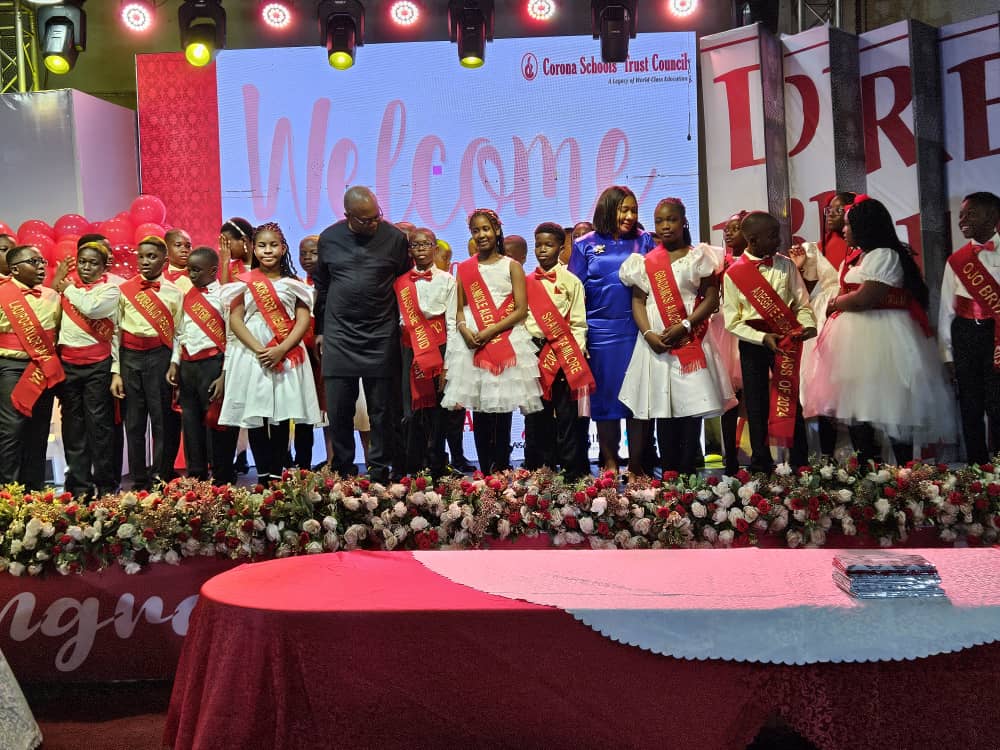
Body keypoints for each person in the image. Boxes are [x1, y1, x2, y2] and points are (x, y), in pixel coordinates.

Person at [806, 196, 955, 464]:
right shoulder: (860, 257)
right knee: (858, 405)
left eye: (849, 225)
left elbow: (866, 298)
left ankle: (904, 473)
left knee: (891, 407)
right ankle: (867, 470)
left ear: (866, 227)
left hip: (881, 338)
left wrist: (835, 303)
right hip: (856, 341)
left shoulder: (883, 255)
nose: (844, 230)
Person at [619, 198, 734, 477]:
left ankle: (687, 473)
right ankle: (668, 475)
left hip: (690, 338)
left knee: (690, 407)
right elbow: (638, 301)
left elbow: (710, 299)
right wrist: (648, 333)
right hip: (656, 341)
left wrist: (684, 325)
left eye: (671, 220)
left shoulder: (699, 257)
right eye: (659, 221)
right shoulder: (644, 262)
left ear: (683, 221)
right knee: (662, 406)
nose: (665, 225)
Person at [314, 186, 410, 483]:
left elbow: (405, 282)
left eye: (376, 217)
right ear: (348, 217)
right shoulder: (329, 239)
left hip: (380, 333)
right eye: (366, 220)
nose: (373, 224)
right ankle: (344, 469)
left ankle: (380, 471)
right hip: (340, 334)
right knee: (340, 409)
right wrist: (320, 331)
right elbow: (323, 286)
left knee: (382, 410)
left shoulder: (394, 238)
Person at [443, 208, 542, 473]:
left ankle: (500, 471)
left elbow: (521, 310)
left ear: (497, 230)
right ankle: (485, 470)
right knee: (480, 410)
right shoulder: (464, 269)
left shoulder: (512, 266)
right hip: (472, 343)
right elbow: (460, 308)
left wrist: (489, 332)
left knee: (500, 412)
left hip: (503, 340)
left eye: (486, 229)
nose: (481, 235)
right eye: (476, 231)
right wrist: (464, 330)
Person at [220, 223, 321, 482]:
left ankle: (277, 474)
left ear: (283, 248)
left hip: (287, 354)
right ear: (253, 248)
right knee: (257, 416)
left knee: (281, 415)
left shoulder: (294, 284)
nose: (267, 250)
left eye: (273, 245)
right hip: (253, 353)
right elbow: (236, 320)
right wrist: (260, 349)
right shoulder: (242, 283)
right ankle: (263, 475)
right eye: (262, 245)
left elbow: (302, 320)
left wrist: (281, 349)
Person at [568, 185, 655, 473]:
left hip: (638, 331)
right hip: (600, 333)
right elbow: (573, 291)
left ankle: (638, 465)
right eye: (624, 210)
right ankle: (609, 462)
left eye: (634, 210)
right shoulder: (585, 244)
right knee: (605, 402)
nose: (630, 216)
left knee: (638, 399)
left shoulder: (644, 241)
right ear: (608, 209)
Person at [723, 212, 816, 473]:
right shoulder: (733, 274)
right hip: (754, 342)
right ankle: (760, 463)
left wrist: (807, 326)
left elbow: (802, 302)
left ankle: (800, 461)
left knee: (789, 398)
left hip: (786, 338)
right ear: (752, 239)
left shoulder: (786, 265)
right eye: (773, 235)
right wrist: (762, 337)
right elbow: (733, 321)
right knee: (756, 403)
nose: (779, 239)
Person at [111, 236, 184, 490]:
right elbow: (115, 332)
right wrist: (116, 371)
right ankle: (139, 478)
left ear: (164, 261)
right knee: (134, 421)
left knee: (162, 418)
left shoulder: (175, 293)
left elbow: (179, 332)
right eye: (141, 256)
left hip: (160, 356)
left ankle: (161, 475)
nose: (144, 261)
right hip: (130, 357)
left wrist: (175, 362)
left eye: (151, 257)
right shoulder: (124, 291)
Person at [522, 222, 592, 479]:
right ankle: (539, 468)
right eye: (538, 245)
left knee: (567, 415)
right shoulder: (525, 282)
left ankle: (573, 470)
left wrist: (571, 354)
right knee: (536, 415)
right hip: (534, 352)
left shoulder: (572, 281)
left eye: (549, 245)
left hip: (565, 352)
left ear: (562, 248)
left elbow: (578, 322)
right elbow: (521, 320)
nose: (542, 250)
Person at [51, 240, 120, 498]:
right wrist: (65, 287)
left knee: (99, 428)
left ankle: (105, 484)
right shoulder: (66, 290)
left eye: (93, 263)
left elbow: (92, 308)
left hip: (97, 367)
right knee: (73, 428)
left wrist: (68, 288)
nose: (86, 267)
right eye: (82, 262)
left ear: (103, 267)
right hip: (68, 366)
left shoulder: (110, 290)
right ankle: (79, 485)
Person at [166, 246, 237, 485]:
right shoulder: (186, 296)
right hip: (188, 366)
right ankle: (196, 474)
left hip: (213, 364)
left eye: (196, 270)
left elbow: (231, 337)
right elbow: (179, 333)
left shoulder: (224, 296)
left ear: (213, 270)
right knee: (191, 422)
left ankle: (223, 475)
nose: (191, 275)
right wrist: (175, 362)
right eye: (189, 270)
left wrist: (224, 375)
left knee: (217, 422)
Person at [939, 191, 1000, 465]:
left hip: (997, 335)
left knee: (997, 404)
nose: (963, 220)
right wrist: (947, 355)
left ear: (992, 216)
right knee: (970, 406)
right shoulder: (957, 260)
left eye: (970, 214)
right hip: (966, 335)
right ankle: (977, 469)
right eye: (961, 215)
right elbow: (945, 311)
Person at [0, 245, 62, 490]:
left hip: (42, 367)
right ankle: (8, 492)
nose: (41, 266)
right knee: (11, 431)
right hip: (10, 367)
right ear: (15, 269)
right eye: (33, 261)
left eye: (42, 261)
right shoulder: (3, 294)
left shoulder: (52, 296)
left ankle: (34, 491)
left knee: (38, 431)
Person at [396, 227, 456, 476]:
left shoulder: (447, 280)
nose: (420, 249)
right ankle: (413, 465)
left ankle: (437, 465)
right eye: (415, 245)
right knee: (412, 410)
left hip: (440, 346)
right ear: (409, 250)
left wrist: (449, 361)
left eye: (426, 244)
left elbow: (452, 321)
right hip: (410, 346)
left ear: (435, 247)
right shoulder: (399, 282)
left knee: (440, 411)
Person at [711, 211, 749, 474]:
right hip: (724, 330)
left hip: (747, 328)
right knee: (728, 398)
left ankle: (755, 451)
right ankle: (729, 456)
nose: (728, 232)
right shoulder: (718, 262)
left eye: (735, 228)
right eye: (727, 227)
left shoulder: (758, 262)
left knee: (752, 396)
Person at [821, 192, 857, 272]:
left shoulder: (865, 249)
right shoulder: (820, 248)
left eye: (838, 210)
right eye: (829, 209)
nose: (830, 214)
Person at [218, 217, 253, 284]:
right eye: (222, 244)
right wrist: (225, 263)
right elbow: (225, 294)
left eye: (227, 243)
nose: (224, 249)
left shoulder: (265, 263)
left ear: (243, 240)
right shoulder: (228, 268)